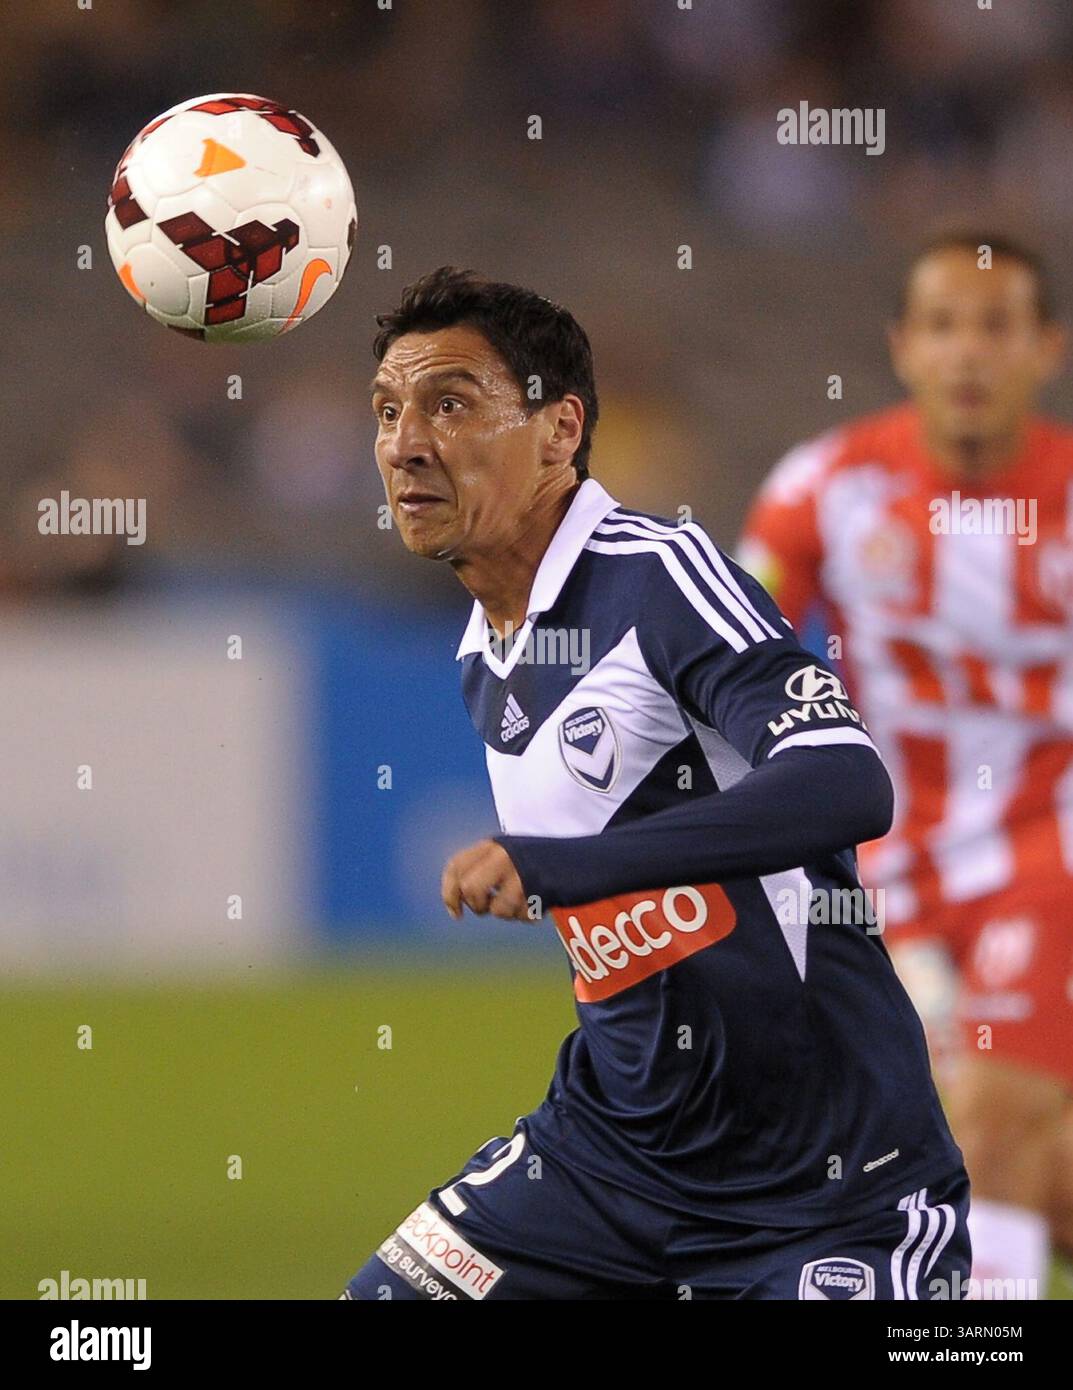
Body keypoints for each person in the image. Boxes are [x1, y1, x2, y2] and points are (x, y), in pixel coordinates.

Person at [341, 265, 970, 1301]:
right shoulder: (481, 649)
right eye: (387, 410)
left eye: (449, 403)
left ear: (558, 429)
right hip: (601, 1166)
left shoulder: (656, 576)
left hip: (825, 1185)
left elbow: (845, 780)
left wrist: (571, 866)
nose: (405, 441)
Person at [739, 232, 1073, 1299]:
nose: (965, 353)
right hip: (886, 883)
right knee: (977, 1153)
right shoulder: (825, 485)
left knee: (982, 1120)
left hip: (1046, 853)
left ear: (1044, 349)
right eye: (940, 325)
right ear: (900, 346)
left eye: (994, 326)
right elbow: (730, 644)